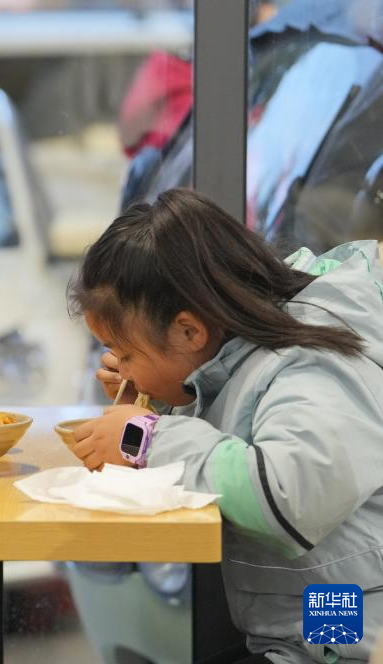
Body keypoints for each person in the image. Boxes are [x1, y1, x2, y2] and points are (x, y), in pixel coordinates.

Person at [68, 188, 383, 663]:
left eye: (127, 353)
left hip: (345, 629)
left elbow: (288, 495)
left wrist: (145, 437)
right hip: (300, 622)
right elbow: (233, 433)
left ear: (190, 330)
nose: (122, 368)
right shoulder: (242, 345)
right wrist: (160, 400)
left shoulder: (315, 360)